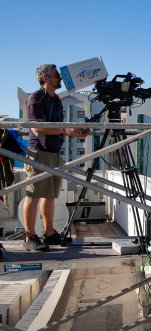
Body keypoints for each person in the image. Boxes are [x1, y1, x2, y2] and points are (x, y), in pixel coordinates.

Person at [23, 64, 90, 251]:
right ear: (45, 78)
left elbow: (59, 127)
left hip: (54, 154)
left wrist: (75, 132)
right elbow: (37, 127)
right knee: (33, 195)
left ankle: (49, 234)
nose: (60, 78)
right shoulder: (35, 98)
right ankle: (29, 237)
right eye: (56, 75)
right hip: (39, 154)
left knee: (50, 195)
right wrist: (65, 130)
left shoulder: (56, 100)